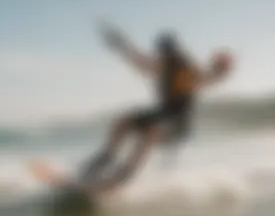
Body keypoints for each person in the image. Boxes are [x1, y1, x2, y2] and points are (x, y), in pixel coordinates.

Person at [31, 21, 233, 194]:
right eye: (162, 52)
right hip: (161, 115)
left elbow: (209, 78)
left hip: (179, 124)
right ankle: (101, 161)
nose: (162, 56)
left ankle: (122, 176)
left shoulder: (188, 69)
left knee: (152, 131)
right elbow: (140, 60)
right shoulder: (160, 65)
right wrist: (120, 44)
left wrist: (220, 68)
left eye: (167, 52)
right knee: (123, 121)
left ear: (174, 51)